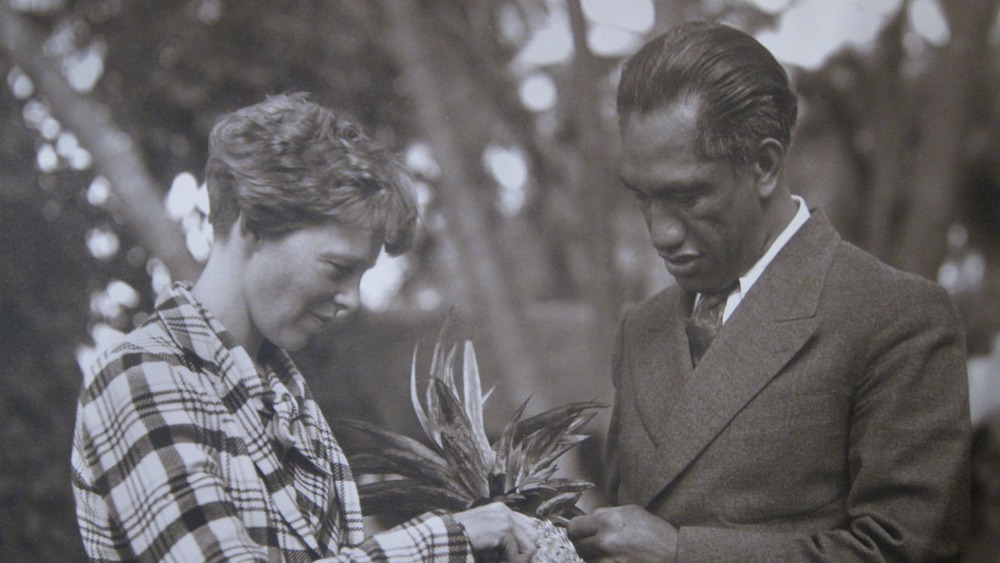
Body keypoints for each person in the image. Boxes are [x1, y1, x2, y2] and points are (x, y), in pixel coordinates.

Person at [71, 93, 539, 562]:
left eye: (362, 275)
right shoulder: (142, 378)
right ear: (253, 225)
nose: (352, 299)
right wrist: (448, 539)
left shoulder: (285, 398)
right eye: (337, 267)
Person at [568, 21, 970, 561]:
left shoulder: (894, 317)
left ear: (764, 165)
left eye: (687, 195)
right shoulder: (642, 328)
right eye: (643, 197)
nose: (660, 233)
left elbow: (906, 552)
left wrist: (683, 554)